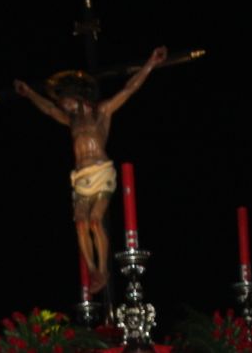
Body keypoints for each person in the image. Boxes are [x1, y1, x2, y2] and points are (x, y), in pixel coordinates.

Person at [14, 46, 168, 293]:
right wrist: (30, 93)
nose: (62, 104)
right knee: (80, 223)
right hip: (81, 176)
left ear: (77, 97)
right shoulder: (71, 121)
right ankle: (92, 269)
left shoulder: (102, 112)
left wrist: (150, 62)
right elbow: (48, 109)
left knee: (95, 221)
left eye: (64, 99)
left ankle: (104, 269)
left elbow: (129, 89)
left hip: (101, 171)